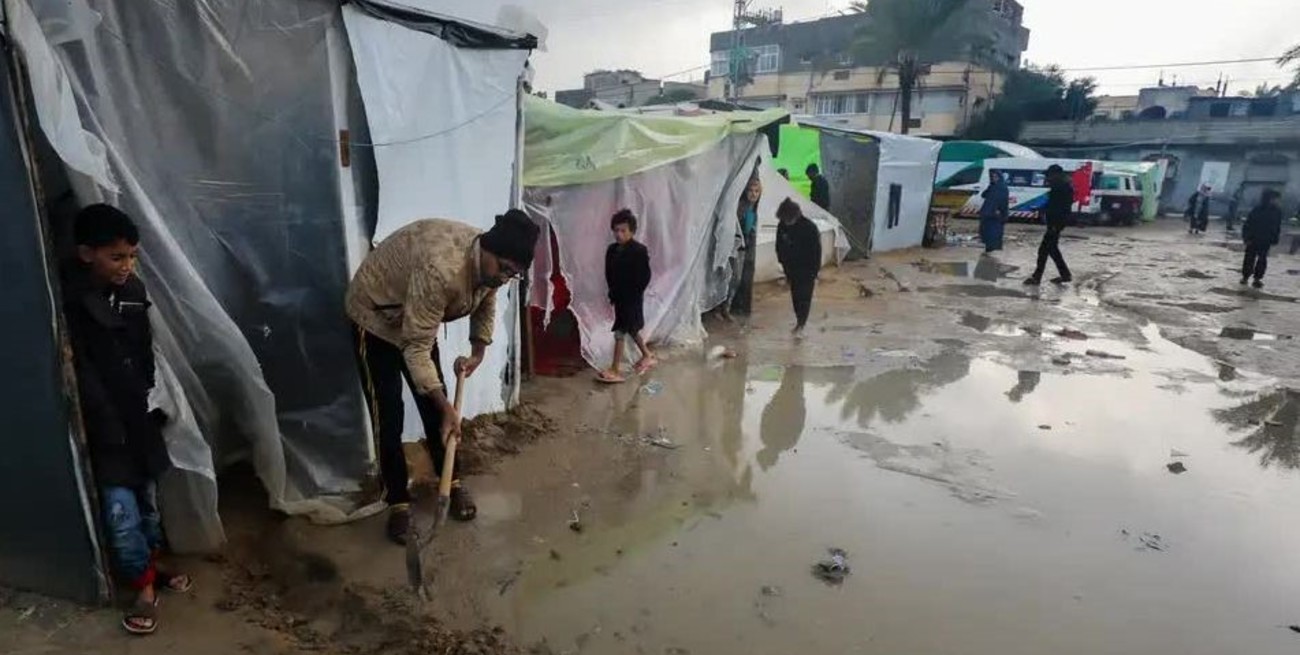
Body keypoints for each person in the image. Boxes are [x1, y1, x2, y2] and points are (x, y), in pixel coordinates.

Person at [347, 211, 540, 544]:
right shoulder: (442, 269)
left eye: (515, 274)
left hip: (416, 317)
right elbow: (417, 348)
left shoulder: (492, 269)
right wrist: (447, 407)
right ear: (489, 251)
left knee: (436, 411)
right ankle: (398, 503)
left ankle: (450, 483)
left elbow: (486, 300)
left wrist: (478, 351)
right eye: (505, 269)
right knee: (389, 414)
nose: (507, 277)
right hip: (375, 318)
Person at [63, 204, 191, 636]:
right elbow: (79, 368)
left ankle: (151, 566)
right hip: (102, 424)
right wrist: (104, 419)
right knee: (120, 512)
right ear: (86, 254)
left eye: (132, 256)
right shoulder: (70, 299)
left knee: (149, 505)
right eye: (117, 257)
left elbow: (143, 353)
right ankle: (143, 586)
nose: (127, 265)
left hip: (137, 416)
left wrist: (147, 400)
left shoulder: (132, 291)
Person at [598, 209, 655, 383]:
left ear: (632, 231)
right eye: (616, 230)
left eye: (623, 230)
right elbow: (609, 273)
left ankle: (615, 369)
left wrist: (633, 293)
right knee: (631, 328)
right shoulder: (612, 250)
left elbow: (644, 276)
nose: (619, 234)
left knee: (620, 331)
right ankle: (646, 355)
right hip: (619, 297)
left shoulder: (639, 250)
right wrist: (613, 293)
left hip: (632, 298)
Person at [775, 198, 823, 337]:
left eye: (789, 220)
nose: (787, 223)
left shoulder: (809, 228)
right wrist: (783, 263)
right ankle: (799, 321)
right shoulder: (782, 226)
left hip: (807, 269)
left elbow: (816, 251)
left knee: (805, 297)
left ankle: (801, 324)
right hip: (791, 268)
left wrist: (815, 271)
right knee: (795, 296)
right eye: (784, 220)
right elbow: (779, 247)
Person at [1024, 164, 1074, 286]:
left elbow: (1058, 207)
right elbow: (1052, 204)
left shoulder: (1061, 187)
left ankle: (1037, 277)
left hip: (1055, 223)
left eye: (1048, 175)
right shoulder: (1062, 186)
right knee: (1052, 249)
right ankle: (1065, 275)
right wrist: (1040, 209)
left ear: (1055, 175)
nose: (1047, 178)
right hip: (1056, 222)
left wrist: (1053, 223)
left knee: (1044, 250)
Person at [728, 160, 763, 320]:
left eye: (757, 191)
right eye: (751, 190)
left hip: (745, 248)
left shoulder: (752, 208)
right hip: (736, 247)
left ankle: (731, 308)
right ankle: (725, 308)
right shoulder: (741, 207)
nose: (753, 194)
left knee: (740, 278)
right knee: (734, 278)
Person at [1241, 189, 1283, 289]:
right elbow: (1248, 224)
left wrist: (1275, 238)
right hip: (1253, 238)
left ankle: (1257, 279)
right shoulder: (1257, 209)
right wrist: (1246, 237)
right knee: (1249, 258)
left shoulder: (1277, 211)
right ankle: (1245, 276)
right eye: (1275, 199)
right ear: (1269, 199)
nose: (1276, 201)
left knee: (1262, 259)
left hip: (1266, 240)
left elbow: (1277, 226)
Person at [979, 170, 1010, 253]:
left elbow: (1003, 201)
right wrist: (990, 186)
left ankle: (992, 247)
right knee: (985, 230)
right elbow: (984, 195)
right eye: (993, 177)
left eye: (996, 177)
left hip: (996, 214)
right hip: (988, 212)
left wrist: (1000, 211)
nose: (994, 178)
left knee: (994, 232)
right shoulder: (993, 186)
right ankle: (988, 246)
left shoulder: (1002, 187)